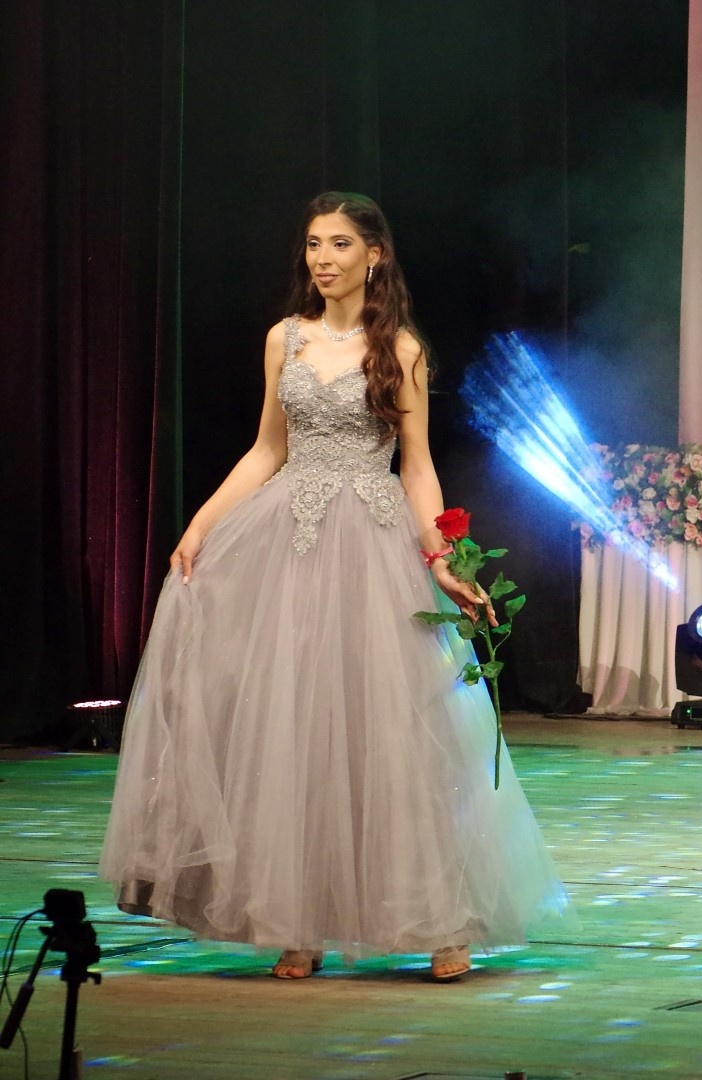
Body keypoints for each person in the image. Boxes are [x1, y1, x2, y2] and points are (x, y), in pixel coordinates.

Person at [100, 192, 571, 980]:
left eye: (341, 244)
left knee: (397, 729)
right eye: (315, 243)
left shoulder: (401, 349)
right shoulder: (284, 338)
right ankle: (299, 920)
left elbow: (416, 468)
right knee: (292, 729)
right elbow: (266, 450)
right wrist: (202, 525)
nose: (323, 258)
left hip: (373, 541)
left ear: (374, 254)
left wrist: (440, 557)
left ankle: (443, 920)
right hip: (288, 540)